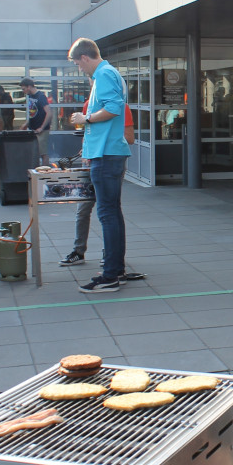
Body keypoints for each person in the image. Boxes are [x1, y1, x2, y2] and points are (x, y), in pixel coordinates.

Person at [68, 38, 130, 293]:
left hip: (106, 155)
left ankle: (110, 276)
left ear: (85, 58)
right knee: (112, 212)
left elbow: (114, 108)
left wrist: (86, 118)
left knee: (107, 213)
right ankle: (117, 270)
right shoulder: (110, 73)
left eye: (77, 64)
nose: (79, 69)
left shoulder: (103, 74)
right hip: (108, 152)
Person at [61, 99, 135, 268]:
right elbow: (88, 135)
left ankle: (110, 253)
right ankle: (79, 251)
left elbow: (129, 138)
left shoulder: (121, 107)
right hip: (92, 162)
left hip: (109, 161)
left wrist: (102, 140)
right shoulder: (89, 104)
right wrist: (87, 149)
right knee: (83, 208)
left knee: (108, 210)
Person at [20, 77, 53, 166]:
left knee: (43, 153)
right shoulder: (31, 96)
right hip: (33, 129)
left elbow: (49, 113)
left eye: (24, 89)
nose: (23, 91)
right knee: (35, 152)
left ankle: (45, 172)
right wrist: (26, 124)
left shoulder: (41, 96)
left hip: (41, 130)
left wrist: (41, 127)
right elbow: (33, 113)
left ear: (29, 87)